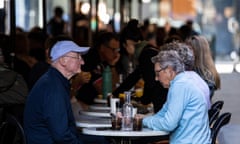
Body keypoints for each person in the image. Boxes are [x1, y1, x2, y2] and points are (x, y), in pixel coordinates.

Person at [24, 40, 90, 144]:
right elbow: (61, 135)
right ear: (63, 60)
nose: (82, 62)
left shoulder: (54, 81)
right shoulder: (53, 87)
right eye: (78, 57)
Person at [142, 49, 211, 144]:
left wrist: (144, 121)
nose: (156, 78)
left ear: (169, 70)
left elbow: (169, 124)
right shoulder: (180, 82)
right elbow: (163, 113)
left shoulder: (180, 85)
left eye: (158, 73)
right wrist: (143, 119)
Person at [113, 19, 168, 113]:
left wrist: (143, 101)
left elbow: (150, 83)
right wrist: (116, 93)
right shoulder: (147, 51)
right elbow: (134, 76)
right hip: (162, 101)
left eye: (124, 47)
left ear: (127, 42)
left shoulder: (146, 54)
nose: (127, 53)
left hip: (161, 103)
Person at [76, 32, 120, 105]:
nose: (116, 54)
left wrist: (113, 65)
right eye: (113, 49)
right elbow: (105, 91)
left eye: (117, 50)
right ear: (102, 48)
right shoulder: (91, 58)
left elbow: (116, 87)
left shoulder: (105, 60)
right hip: (83, 104)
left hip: (96, 103)